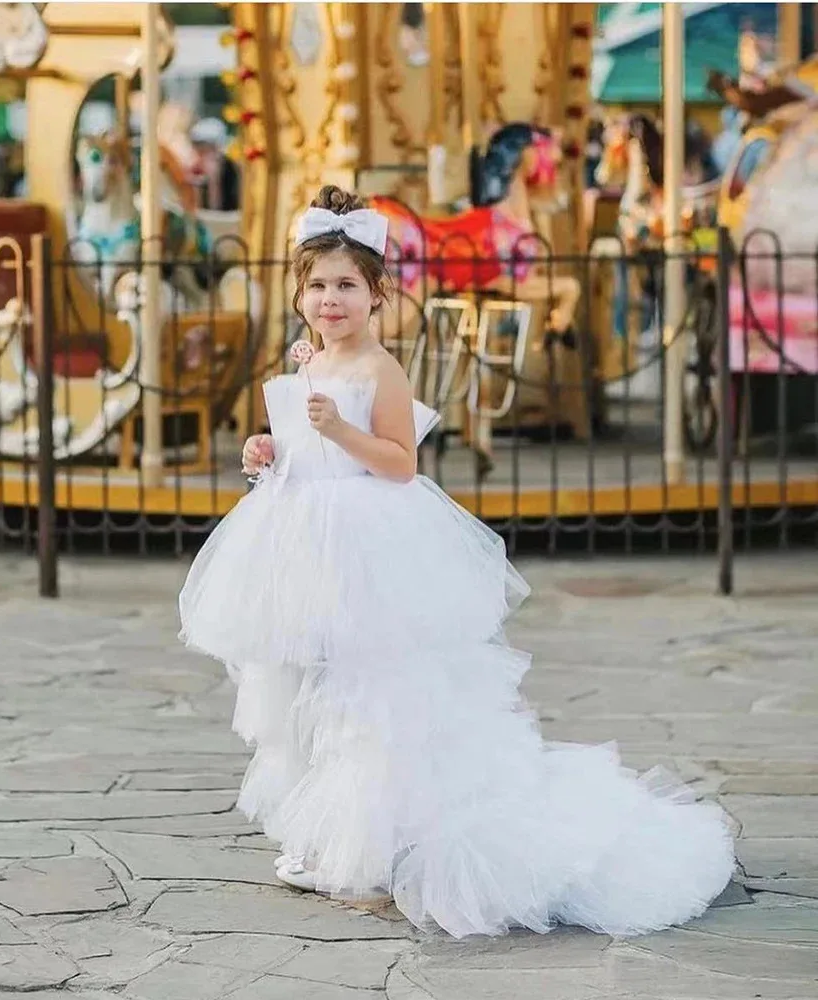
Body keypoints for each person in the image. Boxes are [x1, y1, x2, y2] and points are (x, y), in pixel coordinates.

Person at [178, 185, 735, 939]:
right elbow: (302, 451)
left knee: (368, 691)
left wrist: (340, 429)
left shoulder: (382, 371)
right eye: (317, 285)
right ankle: (323, 828)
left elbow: (401, 464)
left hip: (370, 542)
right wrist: (268, 454)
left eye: (347, 285)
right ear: (299, 293)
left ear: (377, 296)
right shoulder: (306, 362)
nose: (330, 299)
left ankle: (369, 838)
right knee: (308, 682)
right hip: (302, 539)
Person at [189, 116, 239, 212]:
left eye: (205, 149)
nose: (200, 155)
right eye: (197, 149)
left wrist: (214, 181)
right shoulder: (194, 168)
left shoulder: (230, 169)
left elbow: (218, 210)